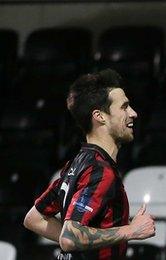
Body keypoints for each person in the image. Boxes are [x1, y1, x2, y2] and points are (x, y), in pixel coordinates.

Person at [23, 69, 155, 260]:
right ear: (100, 116)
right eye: (124, 107)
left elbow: (34, 219)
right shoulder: (100, 171)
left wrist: (83, 244)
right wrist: (130, 230)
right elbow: (70, 238)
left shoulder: (76, 164)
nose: (133, 113)